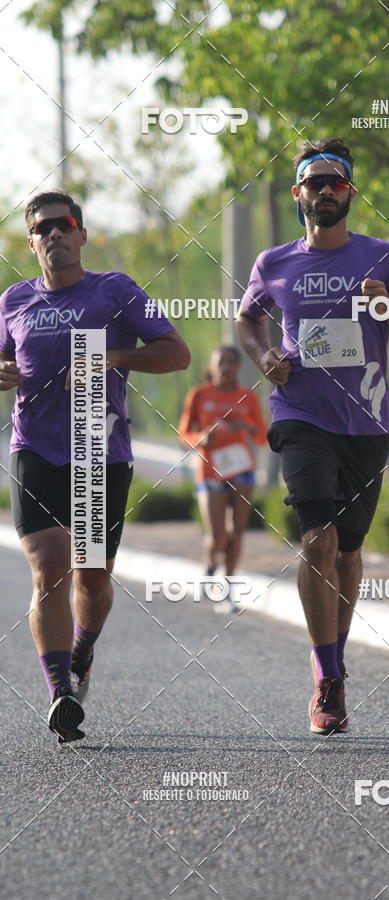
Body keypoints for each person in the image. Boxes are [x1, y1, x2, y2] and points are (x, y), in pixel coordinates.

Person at [236, 137, 389, 734]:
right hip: (300, 413)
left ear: (350, 192)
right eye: (315, 182)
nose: (326, 191)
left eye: (337, 182)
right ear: (297, 193)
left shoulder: (384, 258)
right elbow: (247, 319)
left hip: (367, 422)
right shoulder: (273, 263)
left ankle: (336, 661)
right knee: (317, 539)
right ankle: (325, 678)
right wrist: (263, 355)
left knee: (347, 552)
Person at [0, 191, 190, 743]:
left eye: (64, 224)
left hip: (98, 450)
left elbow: (176, 352)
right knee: (49, 567)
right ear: (31, 241)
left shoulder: (115, 291)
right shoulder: (13, 301)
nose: (54, 234)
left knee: (92, 576)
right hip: (34, 448)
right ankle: (60, 691)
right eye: (43, 228)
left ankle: (82, 650)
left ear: (82, 234)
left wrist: (112, 357)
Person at [178, 345, 267, 585]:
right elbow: (184, 434)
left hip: (241, 468)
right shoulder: (199, 394)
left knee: (237, 532)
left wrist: (246, 427)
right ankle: (210, 561)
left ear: (238, 366)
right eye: (221, 362)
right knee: (218, 536)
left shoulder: (248, 396)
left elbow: (262, 437)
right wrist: (202, 438)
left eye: (231, 361)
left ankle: (228, 584)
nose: (226, 367)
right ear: (212, 367)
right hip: (210, 471)